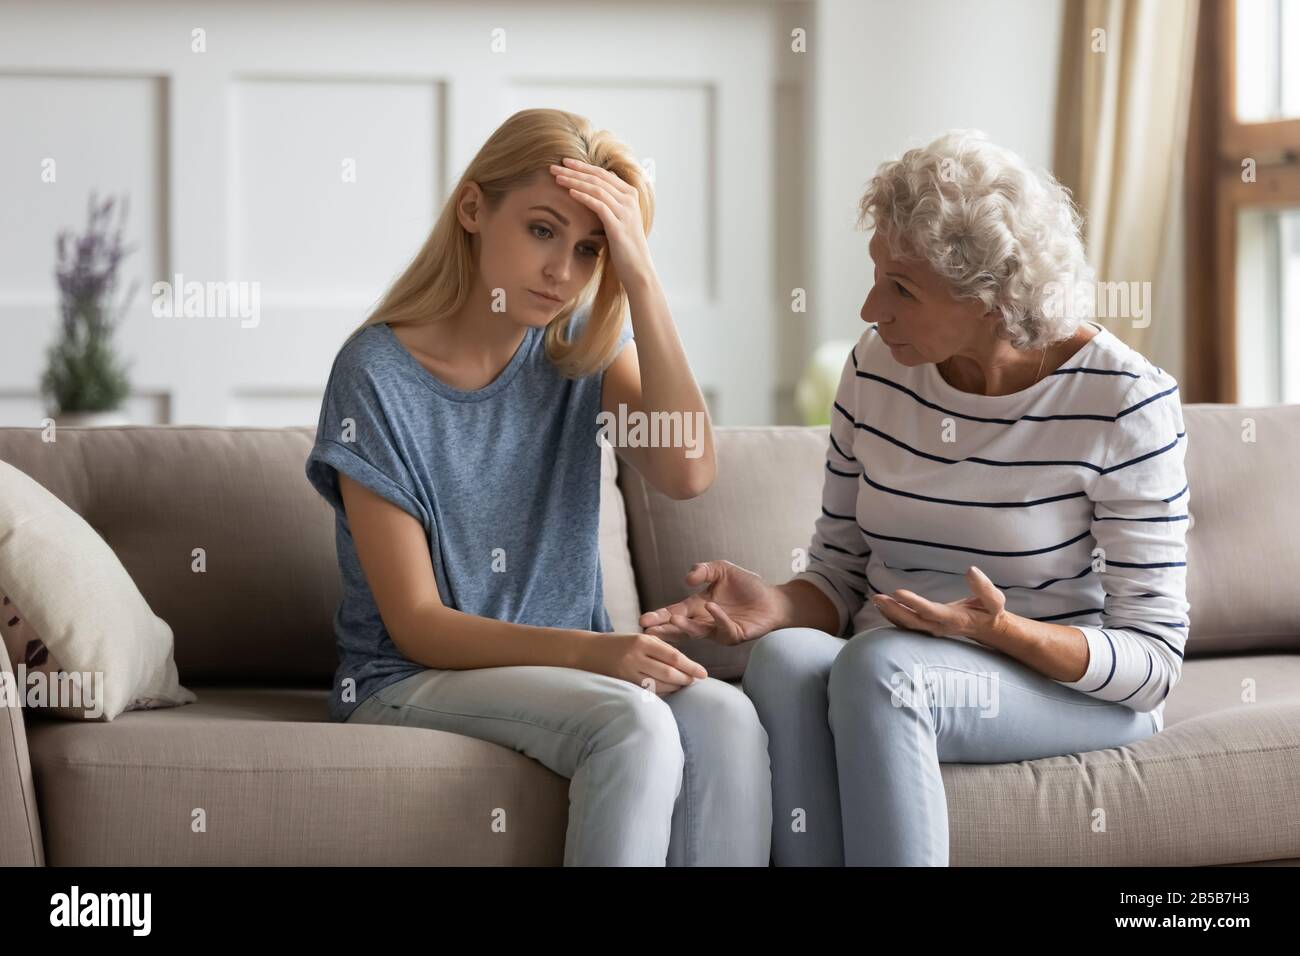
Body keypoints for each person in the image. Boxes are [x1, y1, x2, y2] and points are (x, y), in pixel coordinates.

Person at [640, 129, 1190, 866]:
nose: (871, 308)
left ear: (993, 297)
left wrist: (1002, 634)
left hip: (1064, 689)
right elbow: (839, 574)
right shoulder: (875, 371)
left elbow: (1152, 661)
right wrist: (775, 603)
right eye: (876, 276)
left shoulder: (1125, 401)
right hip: (899, 663)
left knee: (879, 667)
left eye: (901, 287)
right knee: (787, 660)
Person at [305, 108, 771, 866]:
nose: (563, 271)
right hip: (409, 681)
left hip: (562, 676)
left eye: (590, 249)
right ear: (473, 209)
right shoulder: (375, 373)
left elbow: (688, 470)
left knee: (728, 718)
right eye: (542, 230)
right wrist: (596, 652)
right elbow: (418, 624)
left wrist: (643, 278)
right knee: (636, 724)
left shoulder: (577, 351)